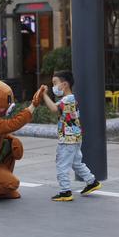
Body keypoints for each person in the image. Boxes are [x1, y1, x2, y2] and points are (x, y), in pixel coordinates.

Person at [42, 70, 102, 201]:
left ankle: (65, 191)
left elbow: (53, 109)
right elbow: (55, 107)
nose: (54, 87)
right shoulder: (70, 99)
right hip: (75, 137)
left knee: (61, 164)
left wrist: (44, 95)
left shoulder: (67, 100)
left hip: (68, 138)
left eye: (55, 83)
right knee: (76, 163)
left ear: (64, 84)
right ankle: (92, 182)